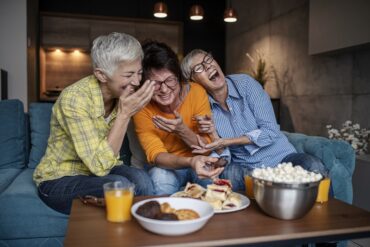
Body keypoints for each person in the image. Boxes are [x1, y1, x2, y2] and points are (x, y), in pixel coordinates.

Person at [33, 32, 156, 214]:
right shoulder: (74, 99)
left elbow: (105, 165)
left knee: (142, 180)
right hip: (59, 179)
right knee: (119, 186)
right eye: (129, 74)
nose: (137, 81)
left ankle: (141, 234)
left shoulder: (123, 96)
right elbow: (99, 167)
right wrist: (124, 115)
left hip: (100, 170)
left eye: (139, 73)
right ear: (101, 75)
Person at [181, 49, 328, 191]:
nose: (208, 66)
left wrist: (228, 141)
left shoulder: (245, 84)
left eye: (208, 59)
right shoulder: (203, 107)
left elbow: (270, 131)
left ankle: (326, 214)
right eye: (199, 68)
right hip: (247, 170)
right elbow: (225, 156)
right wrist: (214, 137)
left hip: (283, 159)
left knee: (313, 165)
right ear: (193, 81)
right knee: (227, 174)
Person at [131, 41, 228, 195]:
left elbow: (206, 149)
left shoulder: (196, 92)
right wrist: (190, 161)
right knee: (158, 176)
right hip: (168, 167)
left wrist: (181, 130)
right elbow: (156, 156)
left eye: (169, 80)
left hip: (201, 161)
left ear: (178, 76)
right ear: (144, 84)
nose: (164, 89)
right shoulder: (141, 107)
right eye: (155, 83)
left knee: (214, 185)